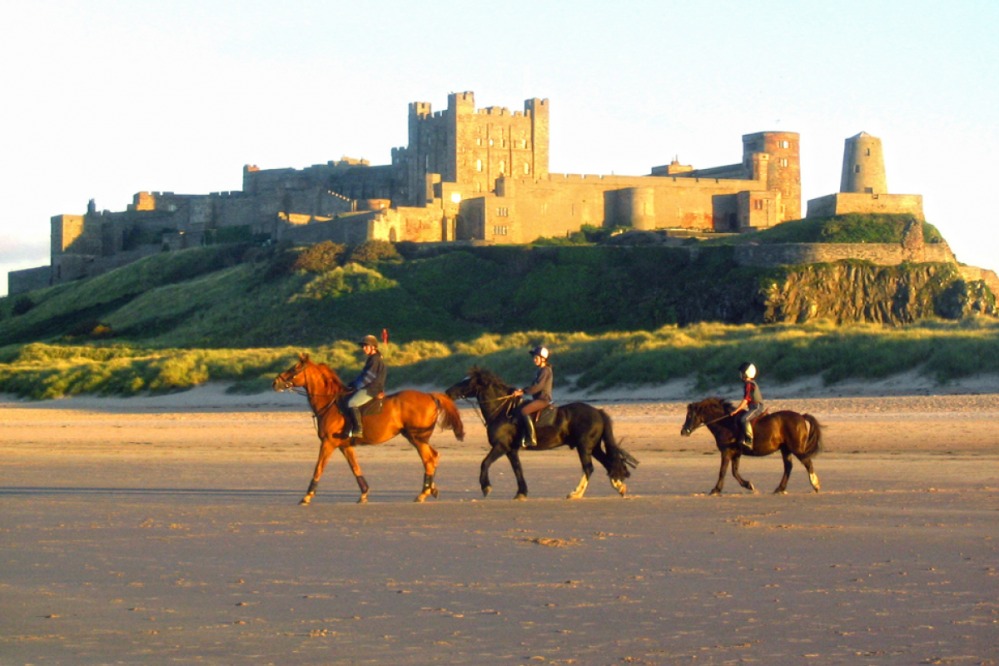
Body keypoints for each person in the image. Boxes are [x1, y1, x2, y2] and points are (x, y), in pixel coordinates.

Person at [346, 334, 387, 438]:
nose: (363, 348)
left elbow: (368, 378)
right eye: (363, 346)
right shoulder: (373, 358)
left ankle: (358, 429)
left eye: (366, 346)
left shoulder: (374, 360)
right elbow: (363, 375)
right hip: (370, 387)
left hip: (371, 389)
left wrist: (356, 385)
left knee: (352, 402)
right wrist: (352, 384)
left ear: (373, 347)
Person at [511, 346, 553, 449]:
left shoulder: (545, 370)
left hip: (543, 400)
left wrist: (523, 391)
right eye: (534, 357)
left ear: (543, 358)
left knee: (524, 411)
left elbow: (538, 387)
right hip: (537, 399)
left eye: (536, 358)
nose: (534, 360)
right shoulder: (539, 370)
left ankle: (531, 439)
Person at [730, 361, 764, 454]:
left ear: (746, 373)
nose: (740, 375)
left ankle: (749, 441)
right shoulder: (749, 383)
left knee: (744, 419)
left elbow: (746, 400)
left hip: (756, 407)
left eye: (741, 372)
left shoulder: (749, 384)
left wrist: (736, 410)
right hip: (753, 407)